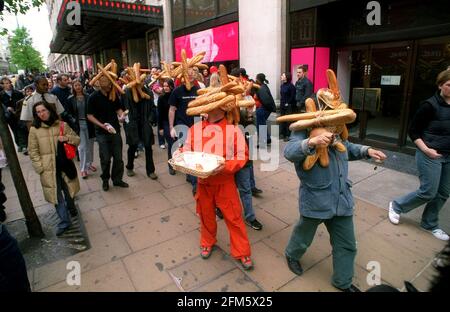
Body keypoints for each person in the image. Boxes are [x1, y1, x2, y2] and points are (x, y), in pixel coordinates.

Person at [284, 122, 386, 291]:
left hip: (341, 200)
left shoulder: (335, 126)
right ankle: (292, 254)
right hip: (316, 201)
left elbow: (346, 147)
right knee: (303, 235)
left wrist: (367, 151)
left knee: (347, 244)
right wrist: (312, 142)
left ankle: (343, 282)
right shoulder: (303, 128)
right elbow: (289, 152)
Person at [175, 105, 253, 270]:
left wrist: (224, 167)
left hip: (225, 183)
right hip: (203, 183)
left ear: (222, 108)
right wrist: (179, 153)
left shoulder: (233, 130)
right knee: (206, 215)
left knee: (234, 218)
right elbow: (187, 150)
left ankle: (242, 251)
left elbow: (242, 156)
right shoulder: (195, 129)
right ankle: (207, 242)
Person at [389, 69, 450, 241]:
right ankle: (396, 205)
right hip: (429, 154)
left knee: (443, 192)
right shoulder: (429, 105)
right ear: (440, 85)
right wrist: (426, 150)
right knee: (429, 191)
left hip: (448, 156)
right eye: (448, 85)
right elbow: (413, 131)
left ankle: (429, 223)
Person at [28, 102, 81, 236]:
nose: (41, 114)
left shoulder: (62, 125)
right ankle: (64, 222)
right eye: (38, 112)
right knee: (56, 197)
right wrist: (40, 167)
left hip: (65, 165)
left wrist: (67, 138)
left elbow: (77, 139)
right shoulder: (34, 130)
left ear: (50, 110)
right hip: (48, 169)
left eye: (43, 110)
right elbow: (33, 151)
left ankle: (71, 207)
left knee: (69, 190)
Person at [87, 76, 128, 192]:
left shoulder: (113, 95)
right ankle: (105, 180)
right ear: (101, 84)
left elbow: (119, 109)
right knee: (105, 158)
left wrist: (121, 116)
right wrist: (102, 125)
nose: (110, 86)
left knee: (118, 157)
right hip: (101, 132)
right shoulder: (93, 97)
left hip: (115, 130)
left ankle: (117, 179)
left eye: (110, 84)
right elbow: (89, 116)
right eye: (107, 84)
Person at [169, 67, 200, 195]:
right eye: (188, 74)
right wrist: (171, 127)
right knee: (189, 151)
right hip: (182, 125)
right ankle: (195, 184)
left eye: (193, 74)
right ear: (183, 76)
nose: (191, 76)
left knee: (195, 152)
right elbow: (172, 109)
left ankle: (189, 175)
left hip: (197, 124)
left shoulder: (199, 90)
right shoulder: (177, 91)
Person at [123, 85, 158, 180]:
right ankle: (129, 167)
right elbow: (123, 108)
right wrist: (127, 121)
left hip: (145, 122)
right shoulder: (127, 92)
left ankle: (150, 171)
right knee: (132, 146)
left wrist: (150, 120)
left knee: (148, 147)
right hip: (133, 124)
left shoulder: (148, 92)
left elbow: (153, 108)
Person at [66, 79, 96, 179]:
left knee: (90, 145)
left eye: (79, 85)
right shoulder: (70, 99)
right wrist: (73, 120)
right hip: (78, 125)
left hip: (89, 124)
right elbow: (68, 113)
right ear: (73, 87)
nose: (78, 87)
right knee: (82, 147)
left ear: (82, 86)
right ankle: (83, 169)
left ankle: (89, 163)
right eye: (76, 86)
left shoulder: (88, 97)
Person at [0, 77, 24, 151]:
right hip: (9, 117)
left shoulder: (17, 93)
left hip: (18, 115)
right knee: (14, 131)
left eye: (9, 83)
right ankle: (19, 145)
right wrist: (6, 109)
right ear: (2, 85)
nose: (9, 84)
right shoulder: (1, 95)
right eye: (6, 83)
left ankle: (23, 145)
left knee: (21, 129)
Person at [158, 79, 176, 175]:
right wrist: (160, 128)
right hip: (165, 122)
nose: (165, 87)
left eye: (167, 86)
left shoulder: (175, 95)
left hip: (175, 122)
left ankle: (177, 162)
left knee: (177, 144)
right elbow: (159, 114)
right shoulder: (161, 98)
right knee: (171, 143)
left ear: (171, 86)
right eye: (164, 86)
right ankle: (171, 165)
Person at [255, 73, 276, 146]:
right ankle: (267, 138)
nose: (255, 80)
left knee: (260, 125)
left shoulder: (262, 89)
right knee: (262, 123)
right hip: (266, 108)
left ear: (258, 79)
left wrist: (265, 108)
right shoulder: (264, 86)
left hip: (265, 109)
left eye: (256, 79)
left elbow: (266, 101)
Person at [280, 72, 297, 141]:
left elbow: (292, 96)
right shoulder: (282, 85)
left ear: (286, 77)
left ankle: (288, 135)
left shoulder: (291, 86)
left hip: (288, 106)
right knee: (282, 120)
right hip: (282, 105)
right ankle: (282, 134)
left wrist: (287, 103)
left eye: (283, 75)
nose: (281, 76)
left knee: (288, 121)